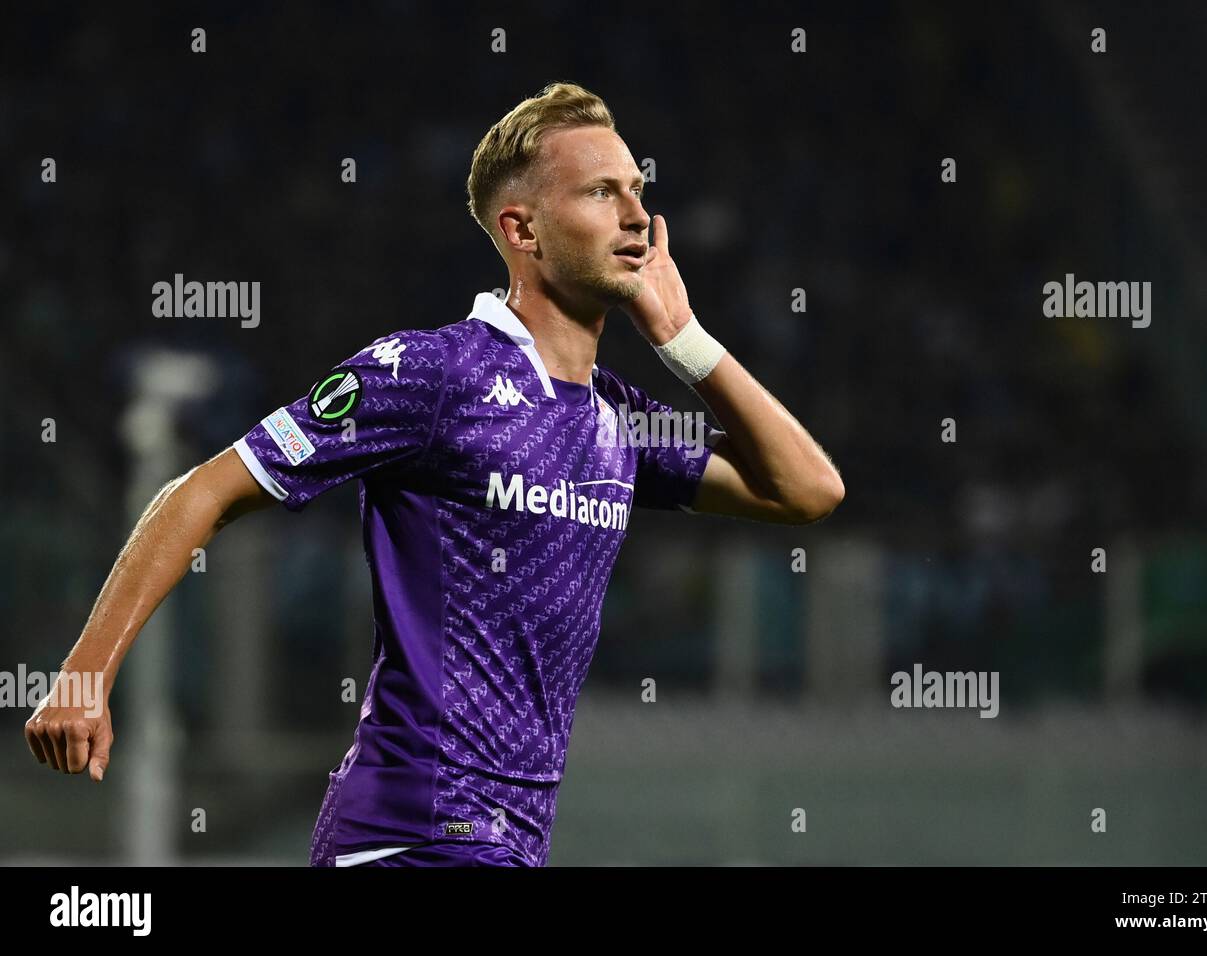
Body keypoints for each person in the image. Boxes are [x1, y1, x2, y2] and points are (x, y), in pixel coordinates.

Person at [25, 81, 844, 866]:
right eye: (601, 194)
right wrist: (84, 674)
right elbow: (203, 489)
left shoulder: (619, 420)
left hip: (506, 840)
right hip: (415, 831)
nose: (638, 218)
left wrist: (686, 340)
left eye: (637, 191)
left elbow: (806, 491)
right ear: (523, 231)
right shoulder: (434, 374)